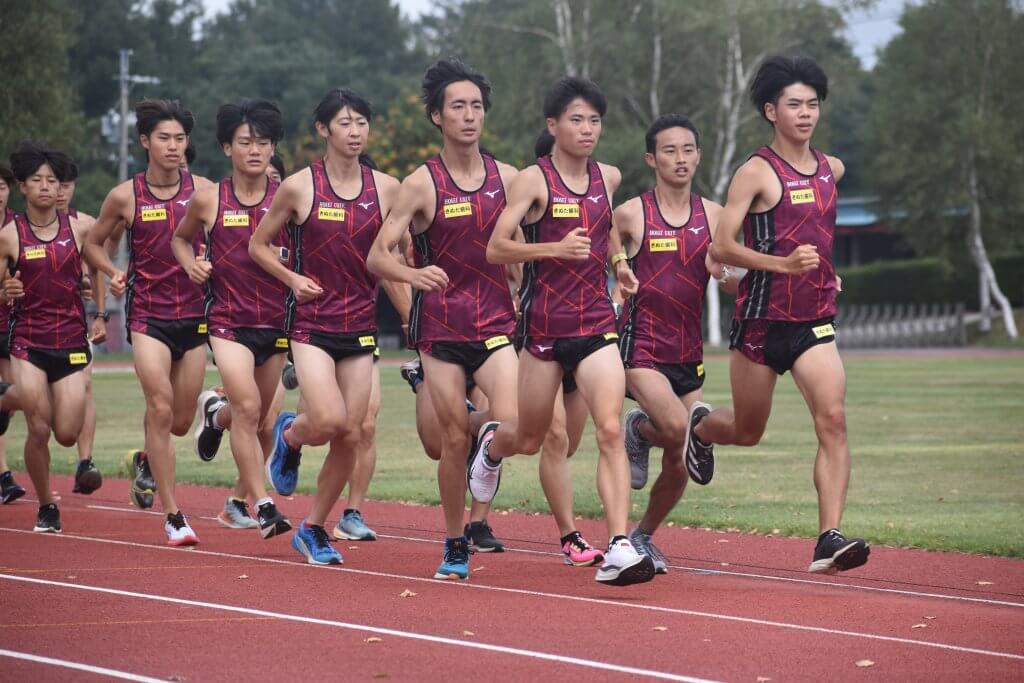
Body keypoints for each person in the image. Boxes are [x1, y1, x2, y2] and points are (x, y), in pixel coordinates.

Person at [690, 56, 869, 574]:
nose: (806, 113)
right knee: (748, 431)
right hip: (761, 322)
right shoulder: (756, 172)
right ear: (772, 111)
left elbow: (820, 236)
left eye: (813, 104)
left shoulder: (831, 169)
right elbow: (721, 246)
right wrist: (783, 265)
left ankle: (828, 537)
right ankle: (700, 429)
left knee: (833, 419)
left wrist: (825, 273)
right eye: (795, 104)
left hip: (813, 322)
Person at [478, 76, 655, 586]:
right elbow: (496, 248)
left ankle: (619, 543)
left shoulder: (609, 177)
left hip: (597, 324)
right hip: (542, 331)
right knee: (532, 437)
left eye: (594, 120)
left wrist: (619, 262)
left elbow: (605, 230)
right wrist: (553, 250)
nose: (587, 129)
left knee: (609, 430)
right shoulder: (533, 181)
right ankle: (493, 447)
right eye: (576, 119)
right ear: (553, 125)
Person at [367, 59, 520, 580]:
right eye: (458, 106)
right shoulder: (420, 184)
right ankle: (455, 541)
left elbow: (529, 240)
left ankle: (492, 454)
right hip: (442, 330)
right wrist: (414, 276)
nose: (470, 115)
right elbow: (378, 257)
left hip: (497, 321)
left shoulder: (510, 178)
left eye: (477, 106)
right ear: (437, 116)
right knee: (451, 441)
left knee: (518, 420)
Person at [251, 88, 399, 565]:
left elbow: (396, 253)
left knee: (352, 434)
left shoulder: (388, 188)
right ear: (323, 130)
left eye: (361, 123)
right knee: (331, 420)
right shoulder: (298, 186)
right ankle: (291, 435)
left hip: (360, 324)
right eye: (344, 123)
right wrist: (291, 278)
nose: (355, 132)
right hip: (312, 322)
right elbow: (257, 246)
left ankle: (312, 528)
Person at [85, 99, 213, 546]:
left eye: (180, 138)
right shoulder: (126, 195)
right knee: (159, 407)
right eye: (164, 138)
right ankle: (175, 515)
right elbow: (93, 245)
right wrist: (113, 271)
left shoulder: (205, 192)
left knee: (179, 421)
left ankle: (144, 459)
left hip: (195, 318)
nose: (174, 146)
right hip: (148, 317)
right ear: (145, 141)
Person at [614, 114, 736, 574]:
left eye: (688, 149)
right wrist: (618, 273)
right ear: (651, 159)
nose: (680, 158)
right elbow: (605, 252)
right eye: (669, 150)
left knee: (682, 459)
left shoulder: (716, 216)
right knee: (679, 430)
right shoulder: (631, 213)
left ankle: (643, 534)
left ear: (699, 156)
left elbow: (731, 280)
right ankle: (639, 429)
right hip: (641, 345)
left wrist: (728, 274)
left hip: (689, 352)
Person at [171, 99, 292, 539]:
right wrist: (191, 265)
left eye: (263, 142)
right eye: (245, 142)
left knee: (257, 421)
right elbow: (180, 240)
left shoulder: (289, 200)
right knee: (249, 407)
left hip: (277, 322)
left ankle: (213, 414)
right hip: (227, 320)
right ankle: (262, 505)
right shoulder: (208, 200)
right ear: (227, 147)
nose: (255, 150)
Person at [0, 143, 95, 533]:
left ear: (61, 187)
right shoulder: (9, 235)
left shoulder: (80, 227)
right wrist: (5, 291)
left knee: (67, 432)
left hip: (71, 340)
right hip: (27, 340)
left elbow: (100, 261)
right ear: (22, 186)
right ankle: (46, 506)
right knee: (38, 428)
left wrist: (91, 287)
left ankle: (5, 397)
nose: (45, 187)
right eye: (36, 180)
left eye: (52, 180)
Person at [54, 160, 107, 496]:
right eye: (50, 182)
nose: (58, 191)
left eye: (65, 184)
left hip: (74, 324)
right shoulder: (15, 230)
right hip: (28, 328)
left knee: (85, 385)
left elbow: (96, 268)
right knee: (37, 407)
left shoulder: (85, 225)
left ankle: (85, 462)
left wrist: (100, 312)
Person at [0, 163, 27, 504]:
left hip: (12, 323)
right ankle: (4, 474)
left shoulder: (18, 227)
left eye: (3, 186)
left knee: (14, 396)